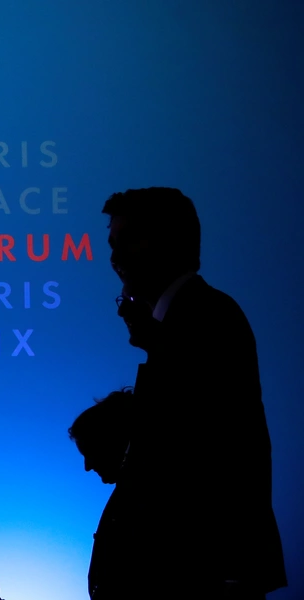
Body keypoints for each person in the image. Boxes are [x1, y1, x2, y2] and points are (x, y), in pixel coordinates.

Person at [103, 187, 287, 598]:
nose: (114, 259)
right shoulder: (188, 320)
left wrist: (231, 573)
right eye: (112, 245)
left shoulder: (207, 316)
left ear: (168, 241)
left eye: (128, 240)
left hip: (200, 571)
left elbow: (221, 447)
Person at [69, 388, 134, 599]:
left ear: (110, 440)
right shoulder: (125, 495)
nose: (87, 466)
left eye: (89, 453)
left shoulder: (135, 498)